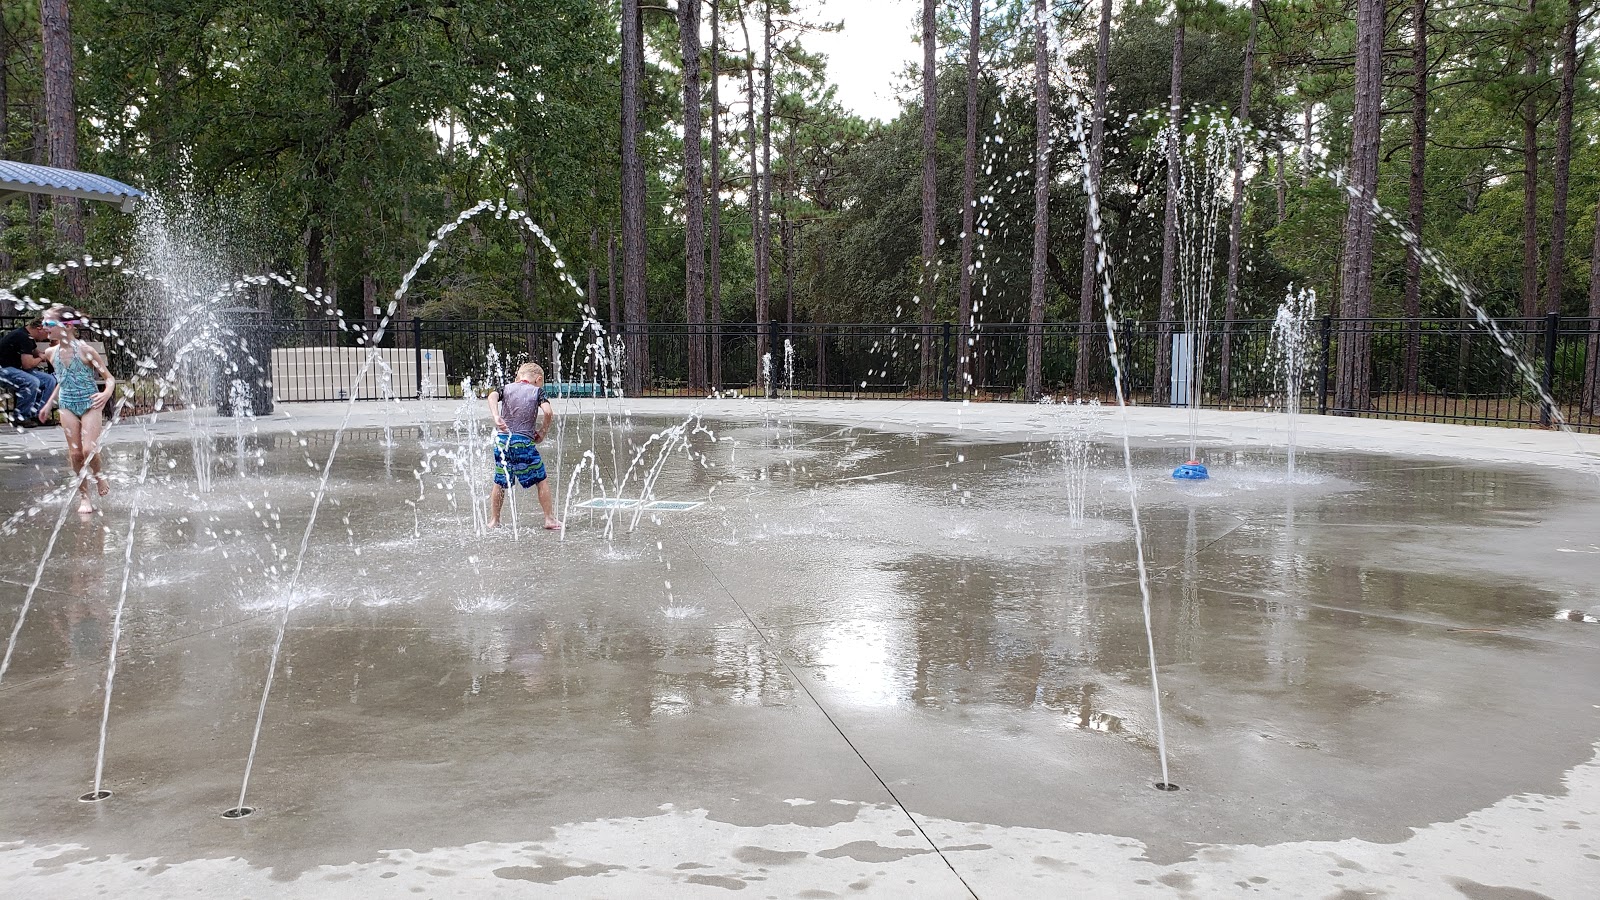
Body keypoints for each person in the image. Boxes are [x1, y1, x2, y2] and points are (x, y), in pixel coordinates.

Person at [36, 307, 115, 514]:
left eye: (49, 324)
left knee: (89, 450)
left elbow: (109, 378)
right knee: (76, 453)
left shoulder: (85, 351)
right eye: (43, 324)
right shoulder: (51, 353)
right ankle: (84, 497)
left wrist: (106, 394)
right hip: (67, 405)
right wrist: (48, 404)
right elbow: (63, 380)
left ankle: (98, 475)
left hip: (90, 404)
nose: (44, 328)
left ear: (68, 326)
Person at [487, 362, 561, 531]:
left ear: (519, 376)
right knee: (541, 480)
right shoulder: (537, 391)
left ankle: (494, 520)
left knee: (500, 481)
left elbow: (492, 396)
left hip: (502, 442)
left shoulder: (506, 388)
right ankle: (549, 519)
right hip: (523, 443)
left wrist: (496, 416)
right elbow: (548, 412)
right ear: (538, 379)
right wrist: (542, 432)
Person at [0, 316, 57, 427]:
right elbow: (28, 365)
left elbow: (33, 350)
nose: (48, 336)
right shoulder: (23, 337)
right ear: (40, 328)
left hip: (14, 369)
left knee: (49, 380)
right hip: (4, 370)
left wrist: (40, 354)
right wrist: (41, 358)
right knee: (32, 381)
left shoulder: (27, 336)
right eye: (47, 332)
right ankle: (21, 417)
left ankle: (39, 416)